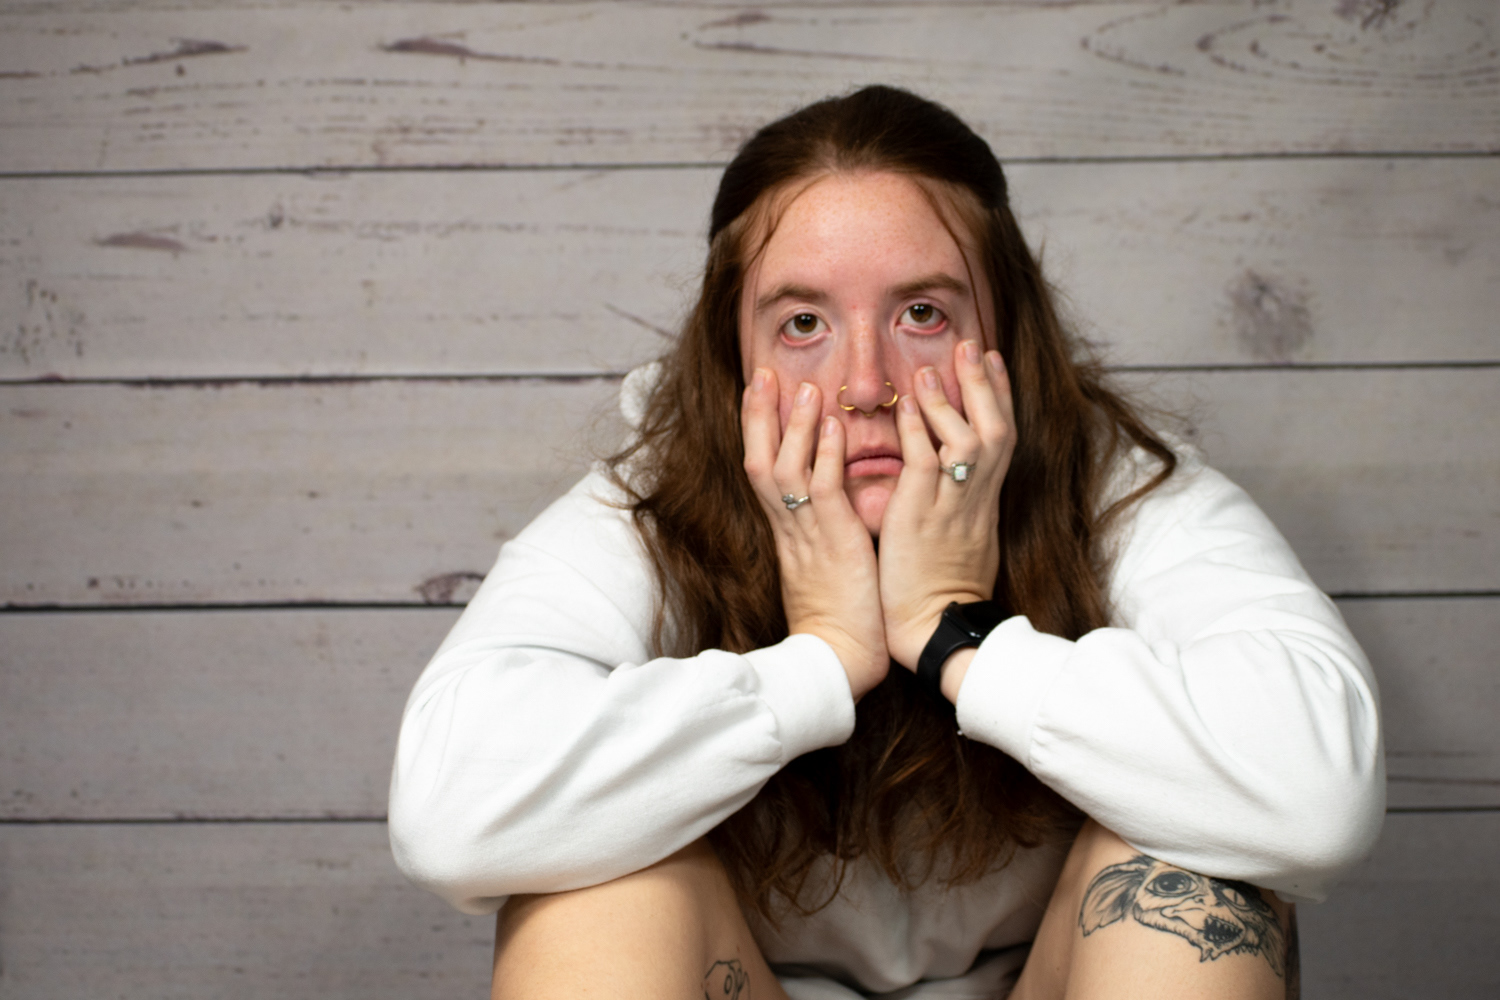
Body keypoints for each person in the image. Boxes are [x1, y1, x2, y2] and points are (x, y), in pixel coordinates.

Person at [389, 86, 1384, 999]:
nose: (866, 385)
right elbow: (448, 817)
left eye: (921, 313)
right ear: (731, 358)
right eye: (803, 323)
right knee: (590, 890)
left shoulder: (1117, 488)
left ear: (1006, 334)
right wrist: (819, 661)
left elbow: (1318, 797)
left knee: (1194, 881)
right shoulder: (650, 506)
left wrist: (959, 633)